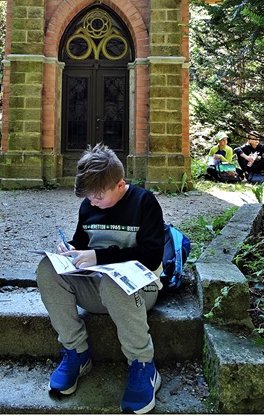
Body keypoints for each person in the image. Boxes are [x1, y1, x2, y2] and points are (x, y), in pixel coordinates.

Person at [36, 144, 164, 414]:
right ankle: (77, 353)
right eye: (89, 199)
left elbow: (151, 256)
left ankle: (143, 365)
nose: (92, 203)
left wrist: (99, 257)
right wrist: (69, 250)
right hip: (96, 286)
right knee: (47, 268)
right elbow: (83, 243)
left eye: (97, 197)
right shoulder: (88, 204)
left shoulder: (145, 202)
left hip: (139, 290)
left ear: (120, 185)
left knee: (115, 281)